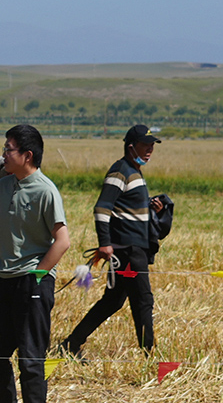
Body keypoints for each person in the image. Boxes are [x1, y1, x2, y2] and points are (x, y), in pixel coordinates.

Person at [0, 125, 69, 403]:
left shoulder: (46, 191)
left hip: (32, 281)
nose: (3, 154)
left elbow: (62, 240)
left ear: (27, 155)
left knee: (31, 356)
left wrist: (38, 276)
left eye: (9, 149)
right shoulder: (3, 185)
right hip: (0, 279)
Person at [59, 124, 168, 357]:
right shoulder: (120, 171)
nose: (150, 149)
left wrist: (152, 209)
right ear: (131, 147)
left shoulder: (133, 171)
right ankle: (150, 355)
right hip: (128, 251)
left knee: (113, 301)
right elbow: (102, 208)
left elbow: (124, 207)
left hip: (134, 248)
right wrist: (105, 243)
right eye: (145, 145)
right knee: (143, 300)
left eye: (152, 145)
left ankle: (70, 344)